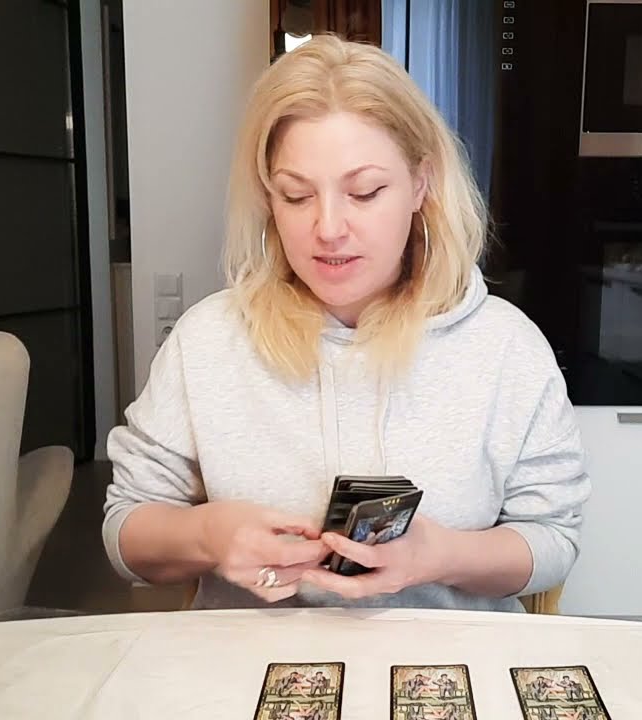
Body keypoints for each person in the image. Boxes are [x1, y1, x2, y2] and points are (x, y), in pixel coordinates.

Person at [102, 34, 590, 612]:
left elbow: (553, 539)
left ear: (421, 184)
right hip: (252, 661)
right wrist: (208, 535)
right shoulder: (208, 341)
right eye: (296, 196)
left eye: (364, 192)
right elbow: (126, 531)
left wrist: (440, 556)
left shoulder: (505, 347)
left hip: (445, 662)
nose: (329, 229)